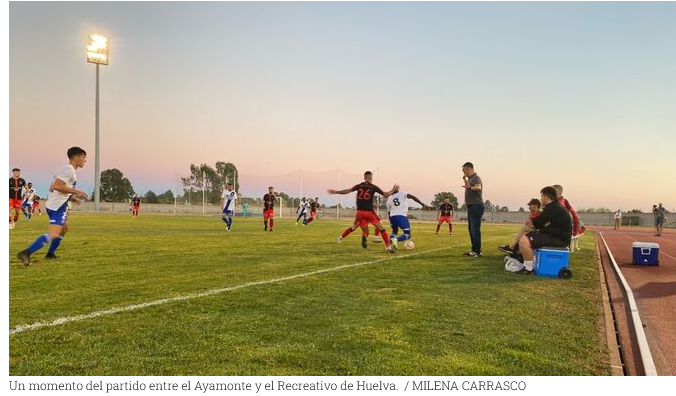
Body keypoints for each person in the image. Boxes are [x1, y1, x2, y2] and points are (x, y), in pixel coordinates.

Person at [17, 147, 89, 265]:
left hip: (56, 204)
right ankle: (26, 253)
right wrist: (76, 191)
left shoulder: (65, 169)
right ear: (76, 157)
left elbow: (52, 188)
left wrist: (73, 197)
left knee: (64, 229)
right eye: (83, 157)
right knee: (54, 233)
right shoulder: (69, 170)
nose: (85, 160)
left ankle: (50, 254)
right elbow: (56, 186)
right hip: (57, 207)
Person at [328, 171, 398, 252]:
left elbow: (348, 190)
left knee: (359, 229)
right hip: (369, 212)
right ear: (371, 178)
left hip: (359, 213)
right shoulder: (373, 187)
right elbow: (385, 194)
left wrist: (336, 192)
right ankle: (388, 247)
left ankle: (359, 236)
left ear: (364, 178)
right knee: (381, 228)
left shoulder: (359, 185)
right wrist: (393, 189)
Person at [515, 186, 573, 275]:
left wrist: (533, 223)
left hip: (558, 239)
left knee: (524, 241)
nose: (541, 199)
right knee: (527, 235)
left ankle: (528, 268)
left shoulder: (553, 208)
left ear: (546, 197)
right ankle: (526, 263)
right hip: (557, 236)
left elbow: (537, 222)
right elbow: (541, 223)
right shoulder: (555, 206)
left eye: (542, 196)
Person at [462, 162, 484, 257]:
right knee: (471, 229)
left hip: (476, 206)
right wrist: (465, 180)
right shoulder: (470, 179)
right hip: (471, 206)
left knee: (475, 229)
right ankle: (474, 249)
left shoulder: (476, 178)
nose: (463, 172)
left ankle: (477, 251)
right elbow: (468, 187)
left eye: (464, 170)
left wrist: (470, 186)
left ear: (469, 169)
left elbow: (478, 187)